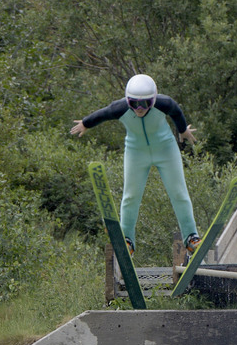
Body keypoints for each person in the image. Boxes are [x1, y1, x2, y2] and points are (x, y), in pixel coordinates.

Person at [71, 74, 200, 256]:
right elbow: (102, 114)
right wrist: (85, 123)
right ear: (127, 100)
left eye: (145, 104)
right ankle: (127, 240)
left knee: (179, 193)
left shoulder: (165, 103)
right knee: (130, 196)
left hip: (165, 149)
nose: (139, 109)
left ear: (154, 100)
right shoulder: (120, 107)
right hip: (136, 152)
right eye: (134, 104)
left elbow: (176, 112)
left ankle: (191, 238)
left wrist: (183, 130)